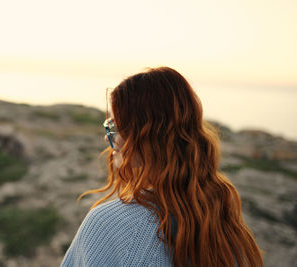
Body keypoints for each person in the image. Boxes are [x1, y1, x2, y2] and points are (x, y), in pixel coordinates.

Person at [61, 67, 264, 267]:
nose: (108, 137)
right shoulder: (222, 225)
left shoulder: (110, 223)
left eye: (115, 127)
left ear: (145, 136)